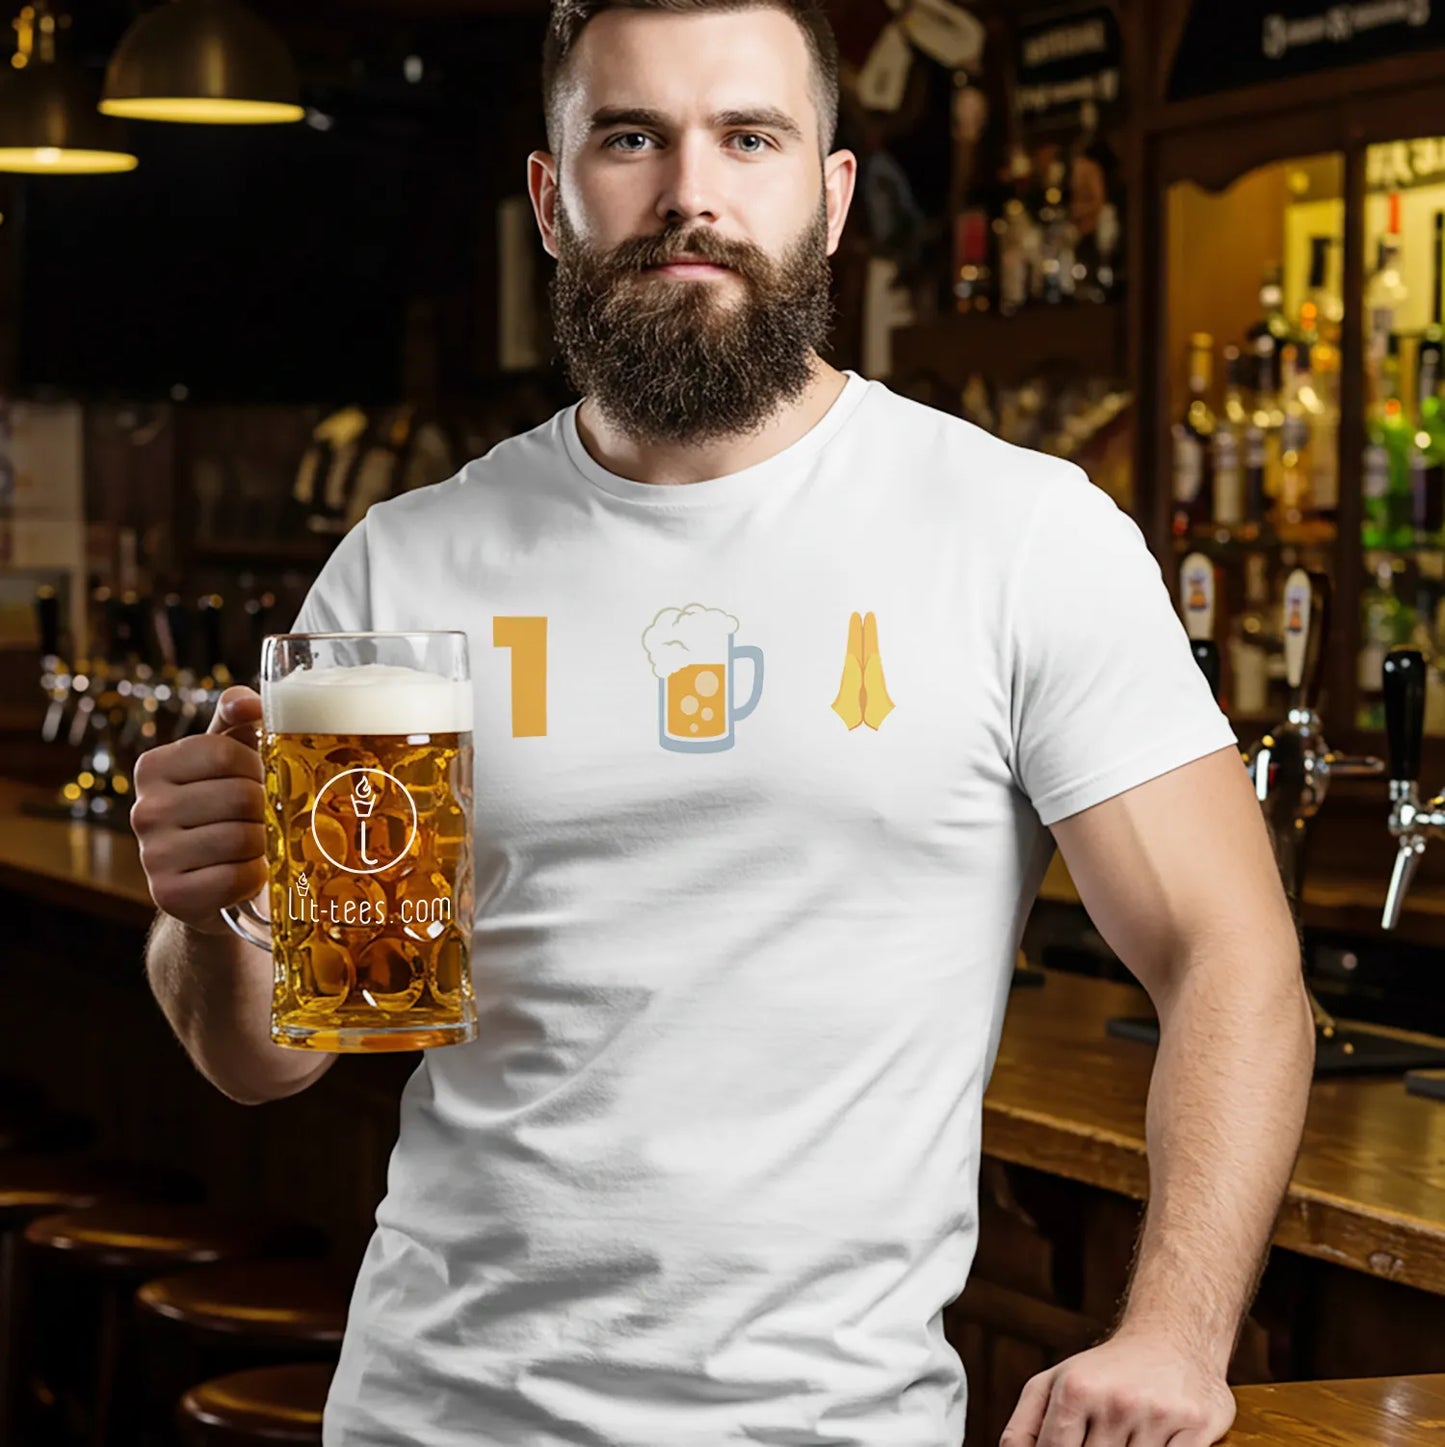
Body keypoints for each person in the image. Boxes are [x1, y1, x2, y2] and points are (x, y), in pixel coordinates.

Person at [130, 1, 1316, 1443]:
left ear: (824, 198)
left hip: (831, 1422)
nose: (691, 191)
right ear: (551, 199)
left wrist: (1177, 1336)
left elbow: (1232, 954)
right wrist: (212, 917)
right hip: (437, 1411)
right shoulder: (408, 562)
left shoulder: (1015, 534)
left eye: (747, 137)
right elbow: (283, 1052)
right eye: (631, 137)